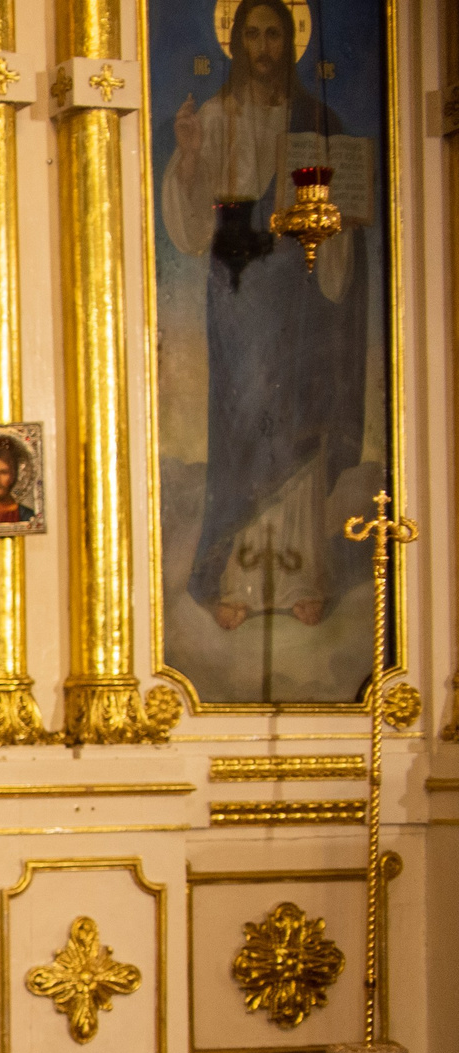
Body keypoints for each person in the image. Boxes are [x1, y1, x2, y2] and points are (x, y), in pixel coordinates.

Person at [160, 0, 367, 632]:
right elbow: (192, 223)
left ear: (292, 43)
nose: (264, 47)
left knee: (299, 410)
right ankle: (230, 577)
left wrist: (335, 222)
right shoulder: (214, 117)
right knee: (246, 416)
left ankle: (304, 575)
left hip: (300, 281)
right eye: (252, 34)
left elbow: (343, 209)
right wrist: (189, 155)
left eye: (275, 35)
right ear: (236, 41)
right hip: (240, 282)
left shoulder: (317, 121)